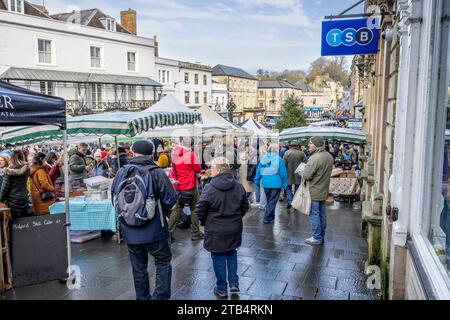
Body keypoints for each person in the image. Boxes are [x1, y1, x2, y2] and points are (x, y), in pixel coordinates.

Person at [112, 140, 177, 300]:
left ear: (132, 153)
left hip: (129, 229)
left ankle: (142, 297)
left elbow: (113, 198)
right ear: (152, 154)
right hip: (155, 228)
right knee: (163, 261)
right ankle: (160, 297)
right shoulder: (157, 172)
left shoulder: (122, 172)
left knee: (138, 267)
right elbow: (170, 198)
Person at [196, 157, 249, 298]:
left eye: (212, 168)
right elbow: (245, 206)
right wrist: (236, 217)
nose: (210, 171)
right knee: (231, 253)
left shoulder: (209, 187)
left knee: (218, 256)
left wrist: (204, 221)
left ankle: (221, 288)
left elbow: (200, 209)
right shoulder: (238, 185)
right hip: (234, 226)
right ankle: (233, 283)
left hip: (215, 228)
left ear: (218, 170)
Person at [168, 136, 204, 241]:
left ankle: (168, 233)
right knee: (195, 209)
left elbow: (174, 170)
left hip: (180, 185)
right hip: (191, 185)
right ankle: (195, 233)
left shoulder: (174, 154)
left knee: (177, 209)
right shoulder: (190, 154)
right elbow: (198, 168)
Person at [301, 136, 334, 245]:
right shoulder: (329, 156)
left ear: (316, 144)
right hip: (323, 189)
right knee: (322, 214)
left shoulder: (315, 158)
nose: (308, 145)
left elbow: (307, 175)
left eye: (310, 143)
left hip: (314, 190)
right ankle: (321, 235)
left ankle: (317, 237)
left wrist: (302, 171)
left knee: (314, 214)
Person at [254, 143, 288, 224]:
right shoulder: (279, 159)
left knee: (270, 201)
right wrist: (285, 185)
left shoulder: (263, 158)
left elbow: (258, 171)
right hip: (276, 183)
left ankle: (271, 217)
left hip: (265, 183)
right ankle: (267, 218)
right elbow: (283, 173)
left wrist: (257, 180)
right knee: (272, 201)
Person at [0, 150, 30, 217]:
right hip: (24, 200)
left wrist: (1, 199)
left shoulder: (8, 171)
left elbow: (4, 188)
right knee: (24, 222)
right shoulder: (26, 169)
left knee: (14, 224)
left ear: (12, 158)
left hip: (12, 202)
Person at [283, 141, 307, 209]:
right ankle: (296, 202)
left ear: (290, 146)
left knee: (287, 187)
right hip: (298, 174)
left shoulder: (286, 153)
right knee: (297, 188)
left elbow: (284, 165)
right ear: (297, 146)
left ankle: (290, 201)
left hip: (288, 173)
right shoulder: (302, 153)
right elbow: (305, 163)